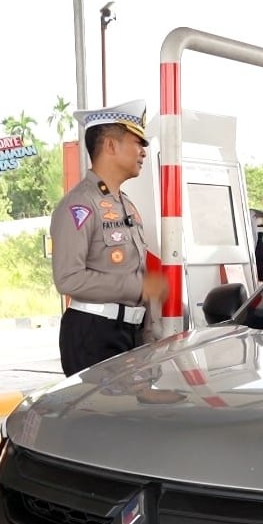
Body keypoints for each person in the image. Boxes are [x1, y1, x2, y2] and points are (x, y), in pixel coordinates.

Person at [50, 100, 168, 377]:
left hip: (130, 333)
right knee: (100, 419)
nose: (143, 152)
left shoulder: (126, 204)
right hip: (93, 333)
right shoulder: (79, 205)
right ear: (110, 146)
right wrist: (137, 287)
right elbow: (68, 278)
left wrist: (150, 334)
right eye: (137, 143)